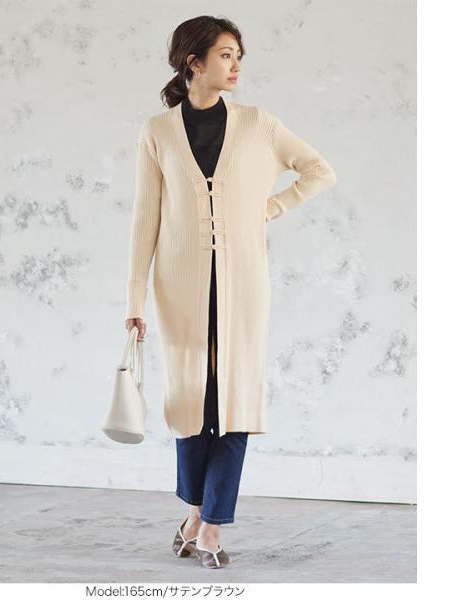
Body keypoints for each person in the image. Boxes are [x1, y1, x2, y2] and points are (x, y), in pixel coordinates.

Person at [124, 15, 336, 569]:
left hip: (244, 287)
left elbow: (318, 170)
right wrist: (133, 301)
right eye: (225, 54)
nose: (236, 64)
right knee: (189, 404)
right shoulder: (157, 132)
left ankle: (212, 526)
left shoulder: (259, 124)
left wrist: (269, 209)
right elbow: (145, 221)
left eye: (239, 54)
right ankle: (195, 512)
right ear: (193, 62)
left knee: (236, 403)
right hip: (178, 290)